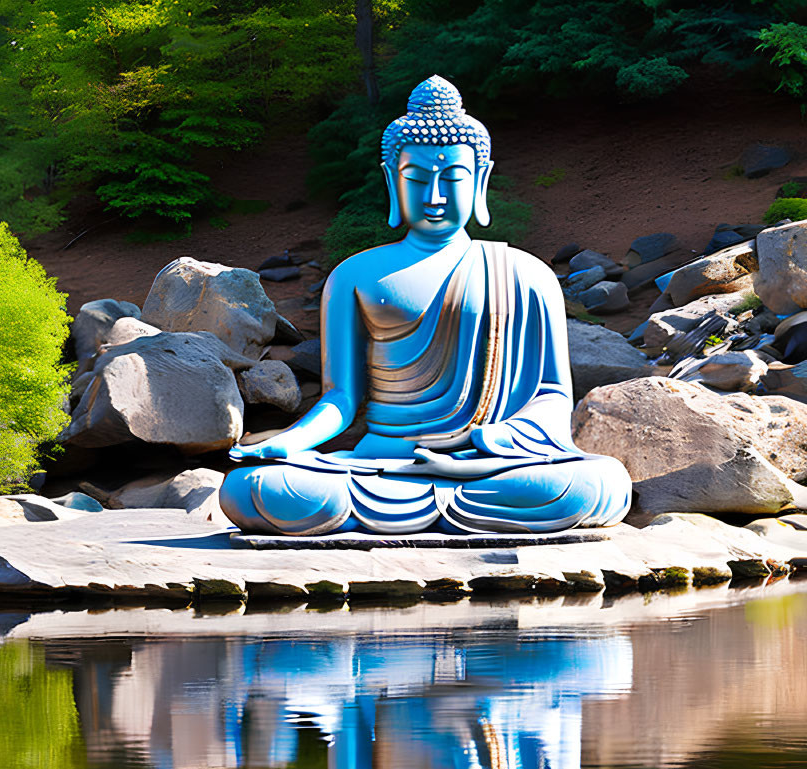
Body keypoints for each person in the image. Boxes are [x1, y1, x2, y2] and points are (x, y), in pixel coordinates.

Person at [220, 75, 631, 535]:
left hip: (487, 464)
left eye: (452, 178)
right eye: (417, 180)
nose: (434, 197)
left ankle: (446, 494)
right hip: (381, 469)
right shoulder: (355, 275)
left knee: (599, 482)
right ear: (392, 181)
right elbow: (341, 397)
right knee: (254, 487)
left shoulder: (524, 273)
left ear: (481, 179)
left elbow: (553, 395)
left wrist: (482, 443)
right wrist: (291, 441)